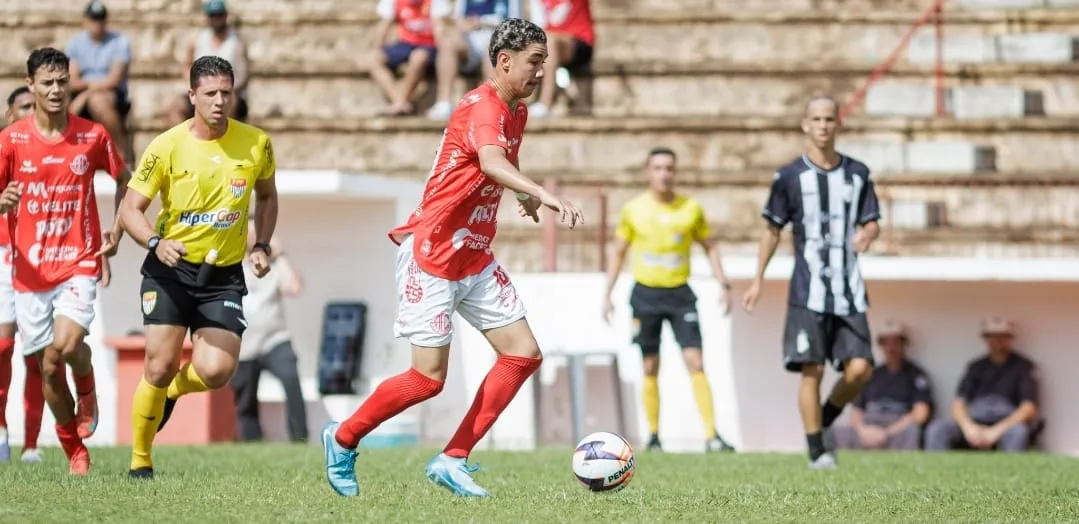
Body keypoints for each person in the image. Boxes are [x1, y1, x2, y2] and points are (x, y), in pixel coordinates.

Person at [322, 18, 583, 498]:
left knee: (523, 353)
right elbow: (490, 160)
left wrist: (521, 196)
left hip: (473, 255)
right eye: (535, 62)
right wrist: (540, 194)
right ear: (504, 61)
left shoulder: (514, 110)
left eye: (544, 63)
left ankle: (453, 457)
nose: (542, 72)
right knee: (427, 379)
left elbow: (504, 161)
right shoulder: (482, 106)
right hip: (434, 254)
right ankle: (342, 439)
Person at [118, 55, 278, 479]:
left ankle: (173, 390)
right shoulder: (166, 145)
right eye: (210, 93)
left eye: (227, 92)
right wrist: (155, 240)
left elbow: (267, 196)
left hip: (223, 274)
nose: (220, 101)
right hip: (170, 271)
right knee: (158, 363)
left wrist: (260, 244)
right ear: (192, 96)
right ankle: (140, 461)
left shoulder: (256, 142)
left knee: (217, 371)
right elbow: (130, 208)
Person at [0, 47, 129, 475]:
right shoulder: (11, 140)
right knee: (48, 367)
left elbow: (126, 180)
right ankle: (74, 447)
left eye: (62, 82)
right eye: (48, 83)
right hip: (29, 272)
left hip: (78, 262)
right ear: (31, 84)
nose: (56, 90)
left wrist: (117, 229)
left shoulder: (92, 136)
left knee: (68, 345)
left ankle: (87, 382)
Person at [741, 94, 881, 469]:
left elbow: (871, 219)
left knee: (860, 370)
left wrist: (868, 234)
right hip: (808, 290)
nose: (822, 125)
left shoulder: (858, 173)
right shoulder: (788, 176)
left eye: (829, 119)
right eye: (815, 119)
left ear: (839, 124)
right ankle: (817, 452)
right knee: (812, 369)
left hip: (848, 289)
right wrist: (757, 278)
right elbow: (771, 230)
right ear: (805, 124)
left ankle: (824, 419)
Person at [601, 147, 735, 453]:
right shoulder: (634, 209)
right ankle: (653, 436)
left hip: (680, 295)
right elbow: (618, 252)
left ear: (676, 172)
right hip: (645, 294)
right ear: (648, 172)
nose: (664, 174)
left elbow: (710, 246)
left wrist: (723, 282)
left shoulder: (691, 209)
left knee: (696, 361)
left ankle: (712, 435)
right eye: (658, 168)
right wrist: (607, 294)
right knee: (650, 364)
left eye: (669, 168)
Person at [231, 220, 307, 443]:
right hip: (243, 345)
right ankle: (252, 442)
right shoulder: (232, 266)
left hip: (275, 340)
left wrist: (280, 255)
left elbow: (294, 287)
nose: (253, 236)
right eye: (249, 232)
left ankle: (300, 437)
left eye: (258, 232)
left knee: (291, 378)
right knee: (245, 399)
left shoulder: (273, 266)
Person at [924, 317, 1040, 452]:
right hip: (974, 422)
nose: (996, 341)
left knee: (1019, 432)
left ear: (1009, 338)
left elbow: (1028, 408)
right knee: (937, 429)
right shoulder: (975, 367)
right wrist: (968, 428)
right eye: (992, 336)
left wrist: (995, 431)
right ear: (986, 339)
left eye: (1001, 336)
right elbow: (958, 404)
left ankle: (1012, 473)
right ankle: (935, 472)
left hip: (1005, 424)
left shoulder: (1024, 367)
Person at [833, 320, 933, 451]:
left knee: (912, 432)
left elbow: (920, 414)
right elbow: (856, 411)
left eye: (895, 342)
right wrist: (863, 431)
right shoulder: (870, 374)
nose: (891, 348)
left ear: (903, 344)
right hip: (869, 425)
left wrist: (886, 433)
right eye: (886, 343)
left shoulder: (916, 375)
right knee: (832, 432)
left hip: (897, 427)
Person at [426, 0, 522, 119]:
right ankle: (444, 103)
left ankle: (491, 104)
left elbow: (515, 25)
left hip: (497, 39)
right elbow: (456, 21)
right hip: (469, 42)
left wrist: (482, 23)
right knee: (448, 45)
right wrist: (460, 25)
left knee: (493, 49)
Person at [65, 1, 133, 163]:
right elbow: (72, 80)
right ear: (86, 21)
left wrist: (87, 93)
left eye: (100, 19)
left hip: (110, 94)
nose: (98, 24)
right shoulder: (76, 44)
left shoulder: (119, 42)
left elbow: (114, 80)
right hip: (84, 92)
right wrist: (89, 91)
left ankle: (120, 152)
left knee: (98, 102)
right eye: (94, 19)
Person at [164, 0, 250, 126]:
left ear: (225, 16)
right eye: (213, 16)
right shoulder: (197, 40)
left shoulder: (237, 43)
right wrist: (198, 86)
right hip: (202, 90)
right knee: (174, 106)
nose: (216, 19)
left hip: (229, 91)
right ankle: (184, 143)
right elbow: (187, 66)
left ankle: (224, 142)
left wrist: (223, 89)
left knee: (229, 102)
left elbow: (243, 76)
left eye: (219, 15)